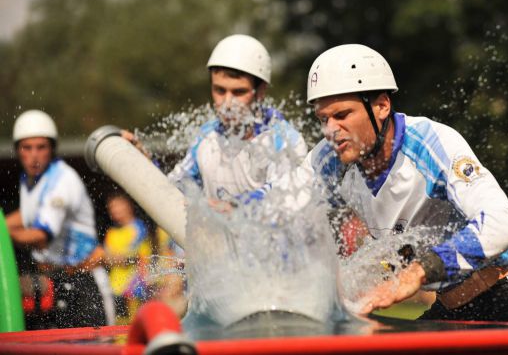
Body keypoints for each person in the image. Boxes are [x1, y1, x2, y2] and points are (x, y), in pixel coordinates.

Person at [303, 44, 508, 324]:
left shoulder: (430, 142)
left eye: (342, 115)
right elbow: (281, 213)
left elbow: (506, 223)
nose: (330, 130)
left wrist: (419, 272)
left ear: (382, 106)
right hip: (451, 306)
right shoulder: (329, 158)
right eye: (323, 119)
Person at [124, 34, 307, 209]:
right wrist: (145, 164)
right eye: (220, 90)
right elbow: (174, 189)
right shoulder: (206, 135)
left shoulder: (284, 140)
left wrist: (235, 207)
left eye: (238, 92)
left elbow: (281, 197)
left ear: (260, 92)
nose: (227, 103)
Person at [5, 110, 115, 328]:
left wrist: (4, 234)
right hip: (56, 283)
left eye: (41, 147)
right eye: (27, 147)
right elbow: (26, 216)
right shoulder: (30, 181)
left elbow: (40, 236)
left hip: (86, 284)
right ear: (17, 150)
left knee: (99, 346)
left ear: (52, 149)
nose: (34, 155)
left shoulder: (62, 179)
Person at [103, 192, 152, 324]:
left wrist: (115, 257)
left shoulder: (139, 228)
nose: (115, 210)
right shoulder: (111, 233)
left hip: (135, 287)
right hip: (115, 288)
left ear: (128, 205)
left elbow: (129, 258)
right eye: (112, 207)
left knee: (136, 326)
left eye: (118, 206)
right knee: (118, 327)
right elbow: (107, 259)